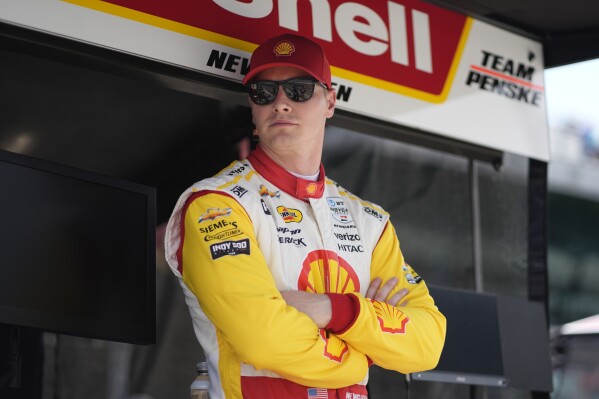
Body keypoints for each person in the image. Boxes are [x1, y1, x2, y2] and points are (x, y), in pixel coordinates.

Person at [164, 33, 446, 399]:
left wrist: (335, 311)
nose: (280, 103)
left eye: (298, 89)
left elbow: (427, 343)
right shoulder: (215, 204)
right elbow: (263, 340)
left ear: (330, 100)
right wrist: (365, 357)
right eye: (264, 92)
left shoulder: (370, 222)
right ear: (252, 108)